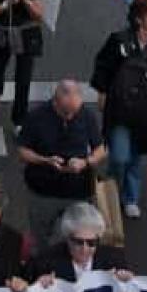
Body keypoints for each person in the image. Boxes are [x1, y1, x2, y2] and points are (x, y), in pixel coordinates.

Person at [90, 0, 147, 220]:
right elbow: (103, 67)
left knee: (136, 156)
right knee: (119, 156)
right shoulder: (119, 40)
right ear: (138, 19)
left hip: (146, 109)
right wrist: (102, 92)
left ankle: (130, 198)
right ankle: (109, 195)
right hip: (120, 108)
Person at [17, 80, 107, 247]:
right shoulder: (36, 117)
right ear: (55, 102)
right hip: (44, 191)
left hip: (79, 191)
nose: (71, 116)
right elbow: (23, 152)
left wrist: (85, 162)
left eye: (75, 112)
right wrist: (45, 160)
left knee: (77, 238)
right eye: (66, 112)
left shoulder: (87, 115)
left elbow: (101, 149)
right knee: (41, 238)